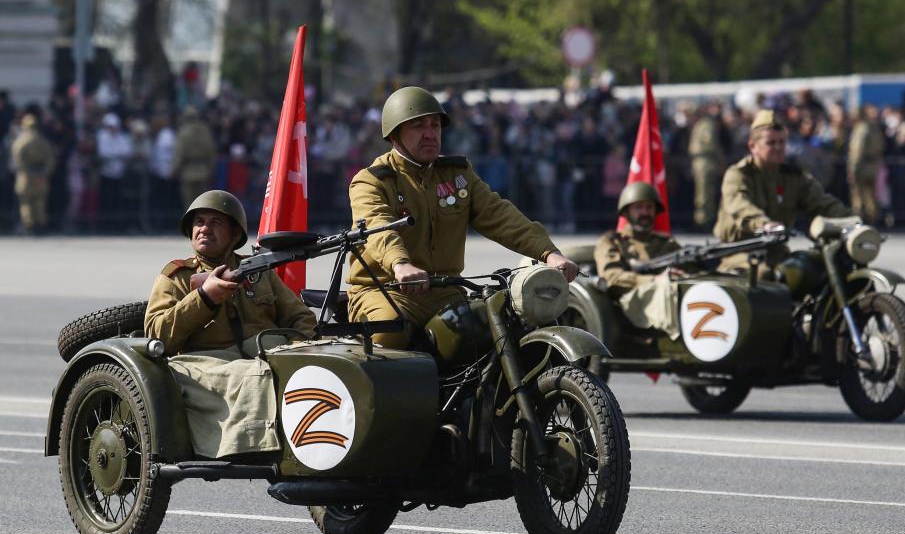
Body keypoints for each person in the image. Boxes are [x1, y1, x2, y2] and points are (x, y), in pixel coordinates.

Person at [346, 85, 579, 349]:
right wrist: (400, 265)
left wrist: (548, 252)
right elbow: (378, 226)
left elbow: (499, 214)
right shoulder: (372, 180)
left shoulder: (457, 174)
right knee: (390, 332)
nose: (430, 134)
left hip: (446, 293)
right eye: (418, 126)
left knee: (498, 335)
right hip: (387, 292)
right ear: (394, 135)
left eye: (435, 126)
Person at [144, 191, 316, 459]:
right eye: (199, 222)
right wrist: (204, 298)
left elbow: (301, 317)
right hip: (204, 363)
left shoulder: (259, 271)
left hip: (264, 353)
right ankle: (255, 451)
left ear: (235, 234)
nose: (204, 229)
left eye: (215, 223)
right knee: (252, 376)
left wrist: (297, 349)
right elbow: (157, 335)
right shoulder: (177, 276)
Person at [713, 109, 849, 270]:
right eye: (771, 143)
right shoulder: (738, 175)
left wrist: (854, 221)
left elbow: (822, 203)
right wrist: (764, 225)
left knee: (813, 271)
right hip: (739, 253)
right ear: (752, 146)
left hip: (777, 252)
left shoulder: (793, 176)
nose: (778, 147)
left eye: (782, 142)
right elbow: (740, 206)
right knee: (764, 276)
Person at [594, 182, 684, 338]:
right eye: (638, 208)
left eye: (649, 207)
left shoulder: (667, 243)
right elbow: (612, 277)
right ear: (627, 212)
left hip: (671, 302)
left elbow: (691, 270)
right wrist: (655, 280)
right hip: (630, 307)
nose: (645, 213)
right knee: (666, 289)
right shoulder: (612, 242)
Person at [10, 113, 55, 235]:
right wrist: (44, 173)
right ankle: (40, 225)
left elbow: (17, 161)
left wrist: (29, 174)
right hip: (40, 176)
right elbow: (50, 159)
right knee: (39, 202)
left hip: (26, 177)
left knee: (26, 203)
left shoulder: (20, 142)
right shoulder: (43, 141)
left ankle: (29, 226)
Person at [688, 101, 726, 230]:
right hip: (700, 160)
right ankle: (702, 219)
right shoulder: (701, 124)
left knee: (705, 193)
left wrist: (719, 159)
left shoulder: (707, 124)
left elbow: (709, 143)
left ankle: (704, 220)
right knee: (702, 192)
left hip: (706, 159)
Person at [847, 104, 885, 224]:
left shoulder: (861, 129)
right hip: (873, 165)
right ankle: (874, 220)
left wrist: (852, 170)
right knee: (872, 197)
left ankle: (861, 222)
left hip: (862, 166)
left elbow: (857, 151)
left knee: (858, 196)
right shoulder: (874, 127)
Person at [173, 105, 217, 210]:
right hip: (203, 171)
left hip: (188, 172)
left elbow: (180, 154)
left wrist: (174, 170)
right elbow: (211, 153)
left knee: (189, 205)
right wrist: (211, 170)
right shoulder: (205, 131)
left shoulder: (183, 133)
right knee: (203, 204)